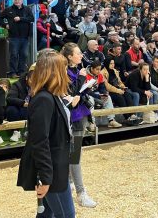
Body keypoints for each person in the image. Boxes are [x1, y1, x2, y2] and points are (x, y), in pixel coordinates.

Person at [17, 50, 76, 218]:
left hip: (57, 166)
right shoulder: (44, 99)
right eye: (63, 69)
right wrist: (45, 177)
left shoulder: (53, 95)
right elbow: (39, 141)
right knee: (66, 215)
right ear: (54, 72)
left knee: (46, 214)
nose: (66, 72)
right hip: (52, 170)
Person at [60, 43, 98, 209]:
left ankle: (70, 182)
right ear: (69, 56)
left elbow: (78, 92)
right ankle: (81, 194)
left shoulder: (76, 69)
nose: (81, 55)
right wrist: (83, 81)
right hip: (73, 117)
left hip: (81, 115)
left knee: (74, 154)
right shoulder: (65, 72)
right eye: (78, 53)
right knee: (74, 156)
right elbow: (72, 96)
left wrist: (88, 86)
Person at [0, 0, 35, 78]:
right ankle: (12, 72)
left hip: (25, 37)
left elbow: (32, 19)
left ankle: (21, 72)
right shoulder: (8, 9)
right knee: (14, 55)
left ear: (22, 0)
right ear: (13, 0)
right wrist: (5, 25)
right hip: (13, 36)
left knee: (24, 54)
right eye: (15, 0)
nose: (17, 1)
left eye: (18, 0)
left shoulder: (27, 9)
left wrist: (21, 18)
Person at [7, 69, 33, 142]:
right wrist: (23, 103)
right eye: (32, 80)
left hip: (30, 110)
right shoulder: (17, 85)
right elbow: (10, 98)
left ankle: (29, 132)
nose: (33, 82)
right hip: (19, 108)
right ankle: (16, 132)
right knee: (11, 109)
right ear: (27, 78)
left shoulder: (38, 86)